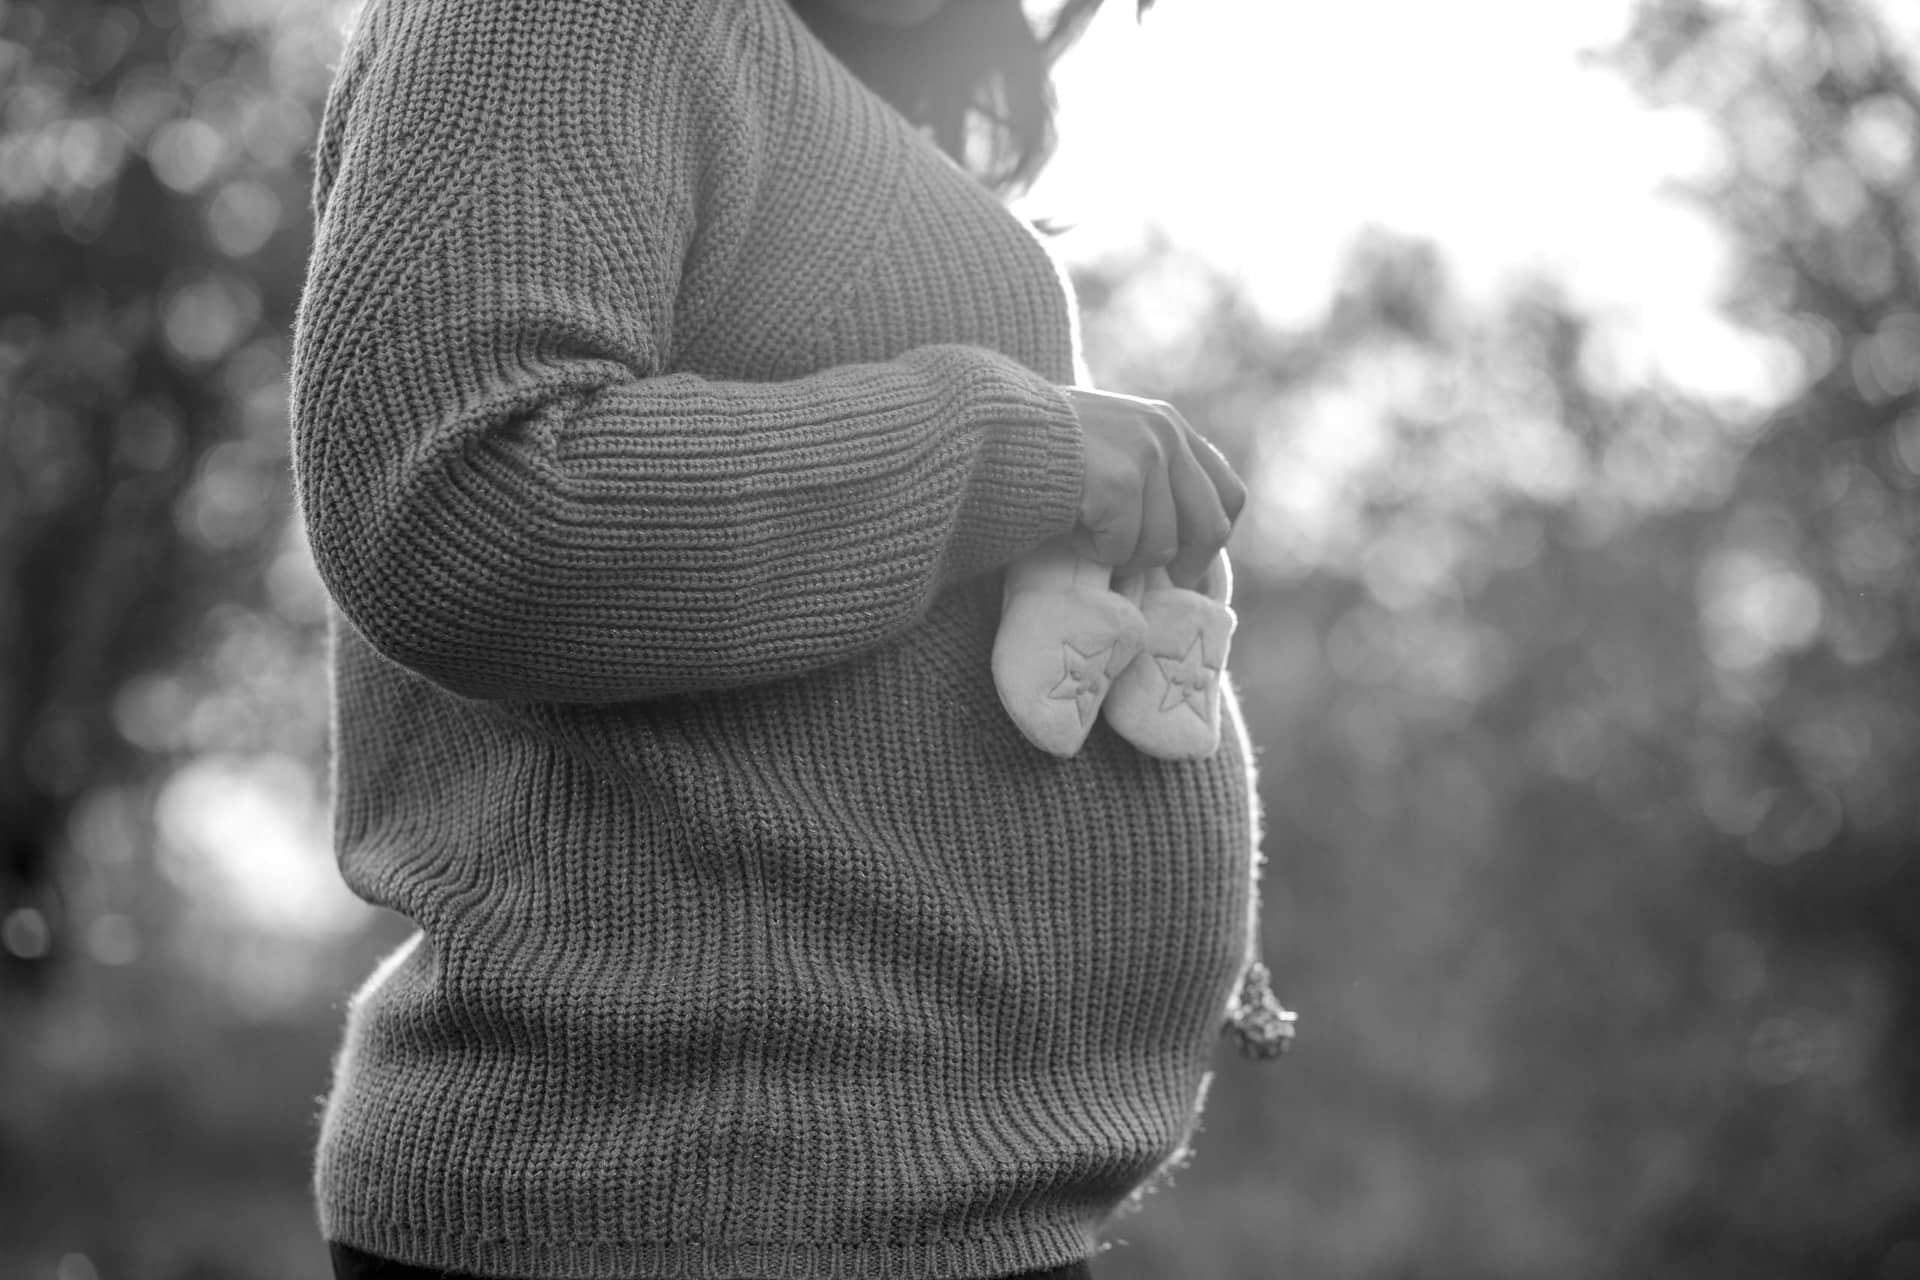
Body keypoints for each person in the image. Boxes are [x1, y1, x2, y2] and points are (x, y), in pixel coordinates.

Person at [292, 0, 1288, 1276]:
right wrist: (1006, 446)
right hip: (677, 1194)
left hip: (873, 1195)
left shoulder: (794, 69)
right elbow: (457, 502)